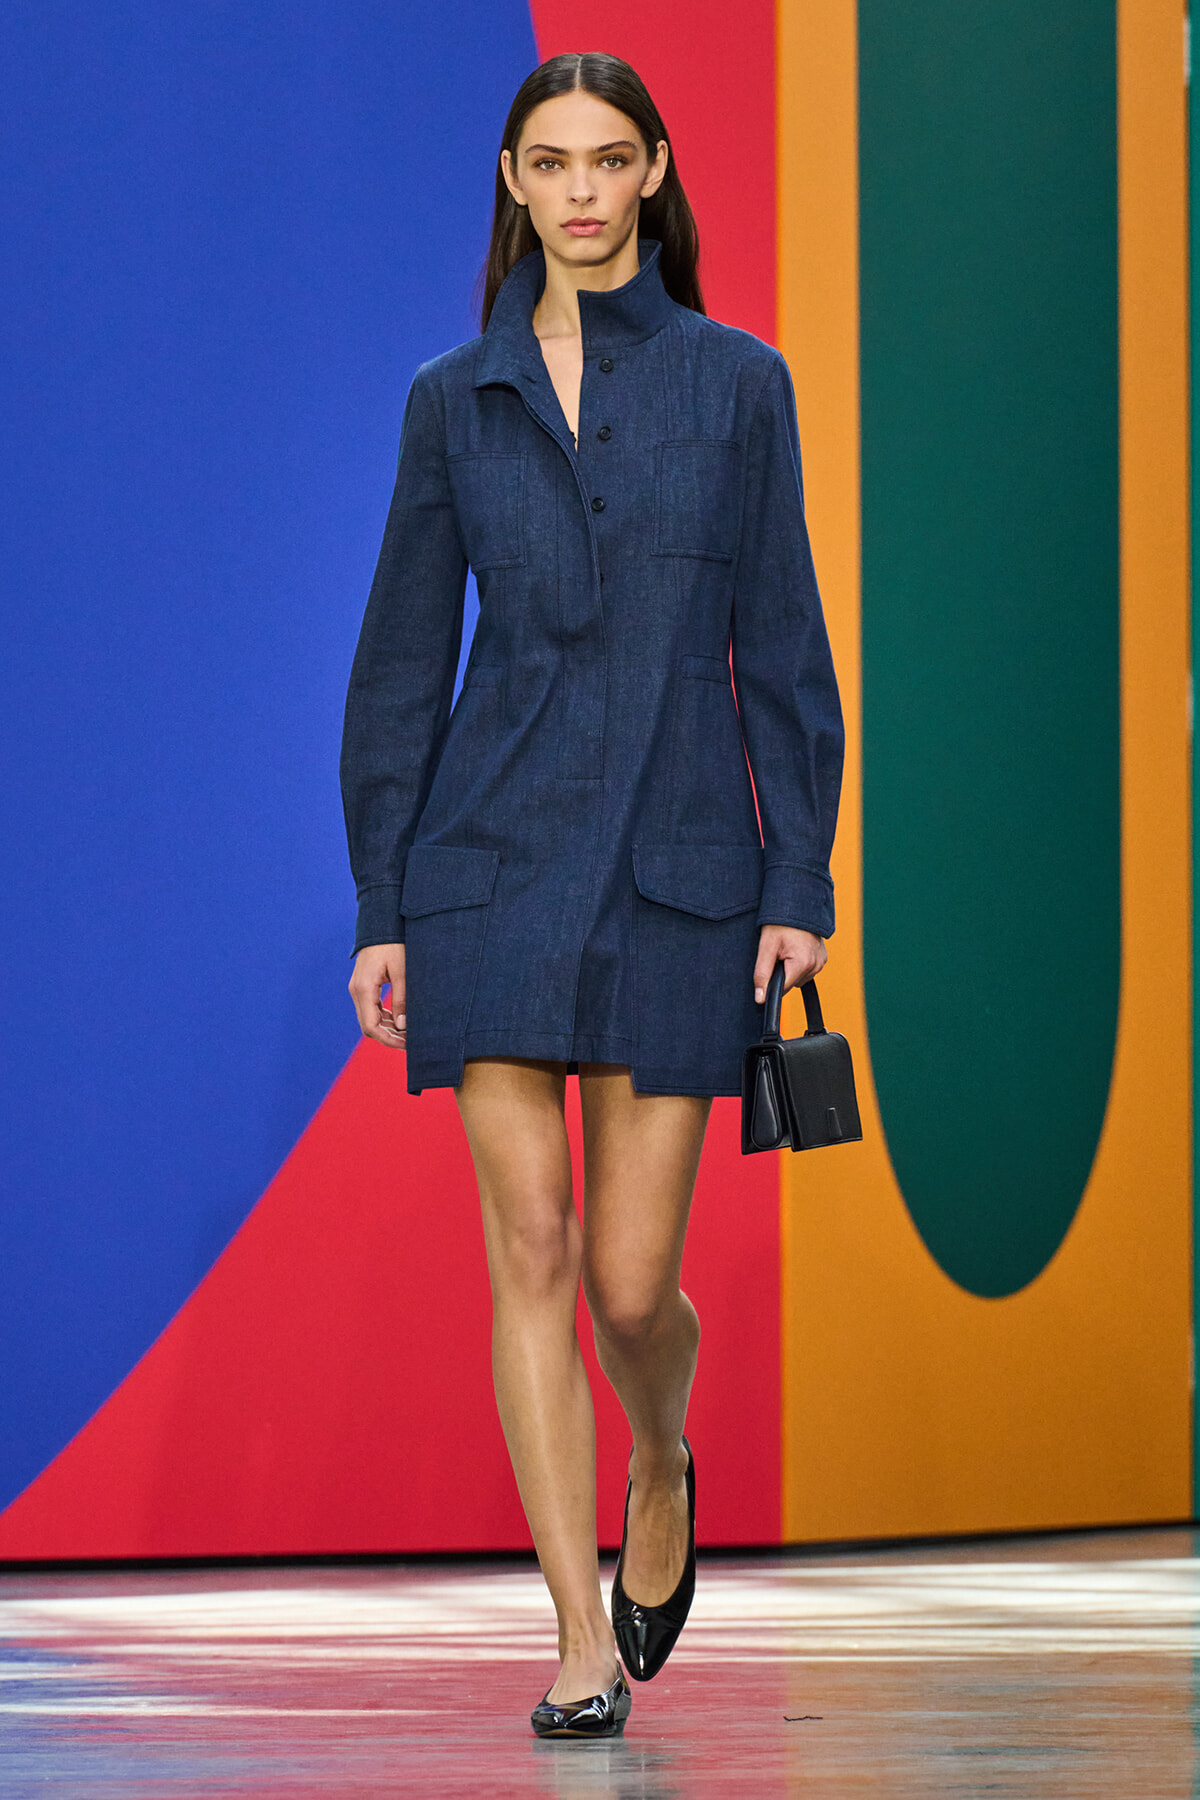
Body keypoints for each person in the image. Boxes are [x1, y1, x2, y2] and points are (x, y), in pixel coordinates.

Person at [340, 51, 844, 1739]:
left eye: (606, 159)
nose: (577, 190)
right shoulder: (453, 399)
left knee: (634, 1285)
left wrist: (798, 878)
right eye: (548, 160)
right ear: (509, 178)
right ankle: (569, 1637)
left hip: (683, 864)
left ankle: (663, 1459)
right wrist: (380, 903)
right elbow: (403, 663)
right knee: (534, 1251)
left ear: (653, 172)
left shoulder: (737, 385)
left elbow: (782, 649)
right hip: (486, 865)